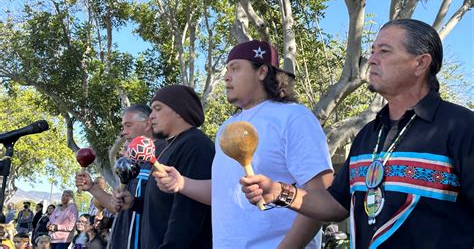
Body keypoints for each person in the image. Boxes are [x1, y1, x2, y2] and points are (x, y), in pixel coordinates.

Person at [240, 19, 474, 248]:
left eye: (384, 51)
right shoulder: (367, 135)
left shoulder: (462, 127)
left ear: (420, 63)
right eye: (372, 51)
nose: (371, 59)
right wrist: (279, 191)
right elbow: (335, 204)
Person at [155, 41, 334, 248]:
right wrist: (181, 183)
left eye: (235, 68)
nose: (226, 76)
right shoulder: (227, 126)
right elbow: (226, 191)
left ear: (262, 72)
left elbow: (322, 195)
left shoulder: (294, 117)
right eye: (227, 69)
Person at [111, 85, 214, 249]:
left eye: (157, 109)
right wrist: (135, 203)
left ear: (180, 110)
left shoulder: (195, 145)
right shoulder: (170, 146)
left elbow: (189, 213)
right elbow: (165, 205)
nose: (151, 117)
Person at [75, 104, 161, 249]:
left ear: (148, 124)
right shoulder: (132, 160)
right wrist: (91, 187)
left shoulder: (165, 154)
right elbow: (118, 206)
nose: (124, 132)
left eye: (128, 125)